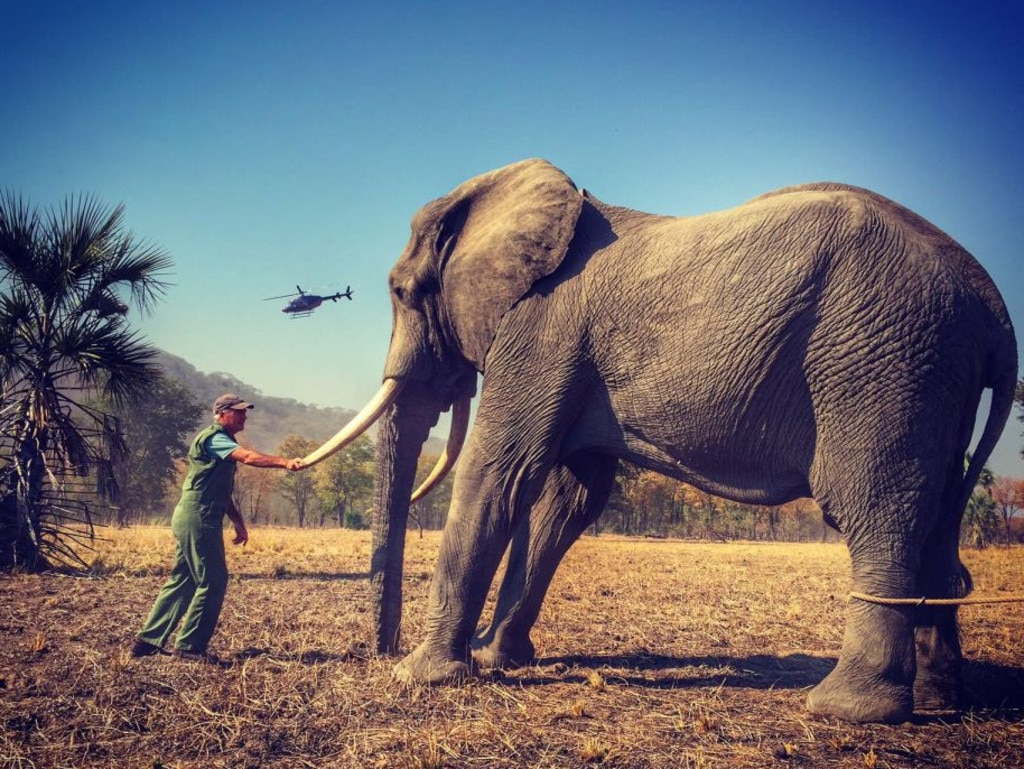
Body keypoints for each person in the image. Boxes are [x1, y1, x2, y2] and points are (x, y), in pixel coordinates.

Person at [130, 393, 305, 662]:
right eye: (238, 412)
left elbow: (221, 491)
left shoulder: (224, 441)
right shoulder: (214, 438)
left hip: (198, 514)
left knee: (184, 578)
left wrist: (238, 523)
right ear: (221, 414)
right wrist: (284, 462)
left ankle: (147, 641)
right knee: (213, 579)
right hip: (197, 515)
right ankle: (189, 647)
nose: (244, 416)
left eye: (245, 412)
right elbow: (248, 457)